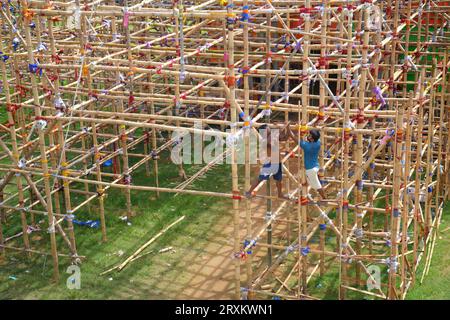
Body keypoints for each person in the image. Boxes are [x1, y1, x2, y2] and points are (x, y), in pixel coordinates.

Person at [245, 124, 289, 199]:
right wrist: (277, 132)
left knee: (279, 180)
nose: (270, 129)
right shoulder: (265, 140)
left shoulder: (272, 137)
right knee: (260, 178)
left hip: (278, 162)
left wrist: (288, 130)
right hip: (270, 163)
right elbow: (269, 143)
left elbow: (284, 138)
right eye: (268, 129)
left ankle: (280, 194)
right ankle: (249, 192)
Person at [287, 126, 326, 199]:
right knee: (311, 179)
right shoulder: (318, 143)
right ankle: (307, 183)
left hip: (310, 170)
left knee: (317, 186)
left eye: (310, 135)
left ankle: (324, 198)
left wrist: (289, 130)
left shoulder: (306, 146)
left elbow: (294, 138)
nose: (308, 135)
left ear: (312, 139)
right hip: (315, 166)